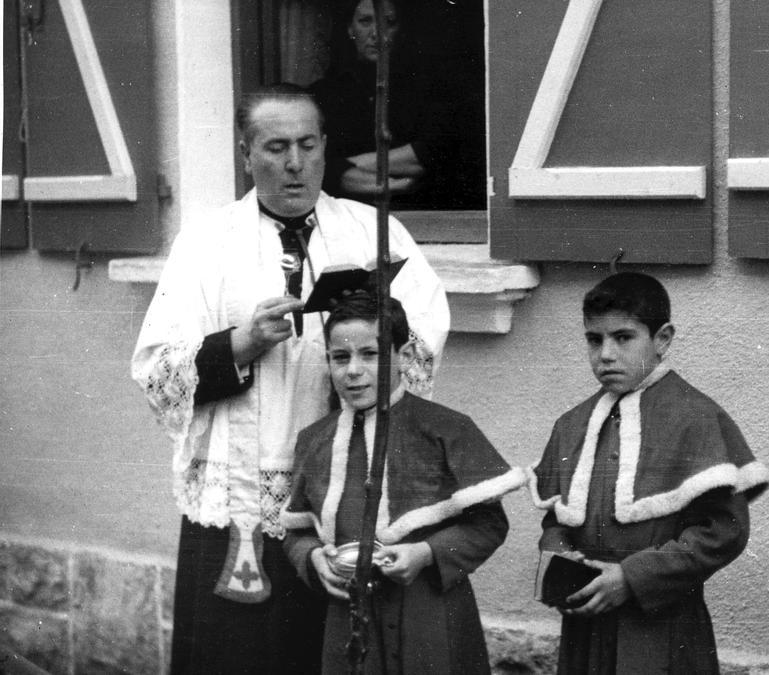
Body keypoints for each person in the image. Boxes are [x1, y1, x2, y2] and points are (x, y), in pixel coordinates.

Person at [131, 84, 450, 673]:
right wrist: (243, 343)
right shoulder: (206, 243)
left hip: (346, 493)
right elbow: (157, 372)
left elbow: (422, 345)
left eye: (308, 144)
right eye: (276, 147)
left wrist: (368, 333)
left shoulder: (373, 232)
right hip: (242, 500)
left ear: (326, 146)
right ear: (245, 153)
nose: (295, 163)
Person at [529, 272, 769, 674]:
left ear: (662, 339)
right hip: (587, 619)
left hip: (661, 622)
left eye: (623, 338)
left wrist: (633, 577)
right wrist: (559, 555)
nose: (606, 354)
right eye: (594, 339)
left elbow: (724, 530)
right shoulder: (572, 424)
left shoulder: (696, 417)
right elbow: (556, 518)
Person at [281, 292, 524, 673]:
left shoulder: (446, 429)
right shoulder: (314, 440)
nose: (353, 371)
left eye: (371, 354)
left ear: (405, 356)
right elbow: (295, 532)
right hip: (349, 619)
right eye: (340, 357)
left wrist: (425, 553)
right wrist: (312, 558)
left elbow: (489, 524)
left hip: (429, 614)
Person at [310, 0, 486, 210]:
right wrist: (395, 185)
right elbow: (311, 164)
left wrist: (342, 168)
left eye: (389, 22)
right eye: (365, 21)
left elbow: (431, 153)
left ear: (401, 30)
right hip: (343, 215)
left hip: (420, 215)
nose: (377, 33)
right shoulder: (323, 94)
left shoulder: (430, 88)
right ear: (350, 29)